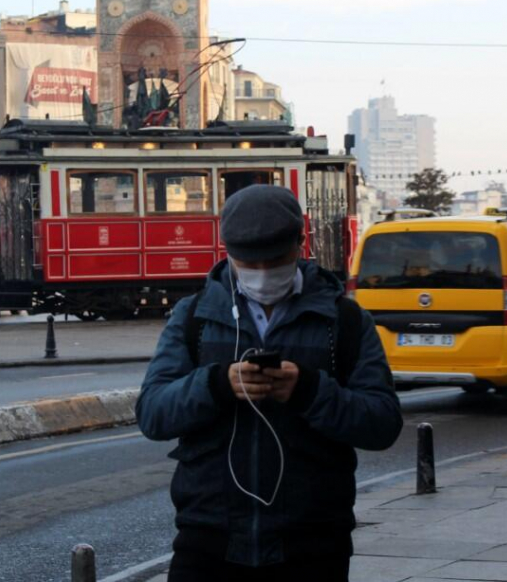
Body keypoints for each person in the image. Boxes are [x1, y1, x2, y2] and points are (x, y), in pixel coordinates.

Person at [136, 185, 403, 581]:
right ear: (227, 250)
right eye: (248, 263)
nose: (261, 275)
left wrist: (310, 391)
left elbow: (382, 422)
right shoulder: (195, 317)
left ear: (300, 242)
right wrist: (216, 386)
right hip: (209, 538)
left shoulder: (343, 322)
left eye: (274, 261)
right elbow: (153, 414)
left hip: (312, 543)